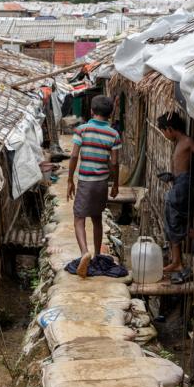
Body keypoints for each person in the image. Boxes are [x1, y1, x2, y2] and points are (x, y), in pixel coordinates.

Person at [67, 95, 121, 278]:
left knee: (79, 218)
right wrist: (115, 185)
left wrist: (69, 180)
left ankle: (85, 253)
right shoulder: (114, 134)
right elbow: (114, 163)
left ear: (91, 111)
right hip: (102, 183)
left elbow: (74, 156)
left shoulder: (82, 130)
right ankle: (97, 255)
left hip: (86, 182)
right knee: (97, 218)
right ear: (110, 114)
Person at [157, 112, 194, 275]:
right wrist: (171, 176)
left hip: (183, 185)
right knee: (170, 220)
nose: (164, 135)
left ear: (170, 129)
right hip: (178, 182)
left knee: (175, 219)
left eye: (163, 132)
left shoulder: (187, 141)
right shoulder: (179, 142)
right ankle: (176, 261)